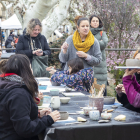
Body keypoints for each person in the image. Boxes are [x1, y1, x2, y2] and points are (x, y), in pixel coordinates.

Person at [0, 54, 60, 140]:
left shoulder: (5, 83)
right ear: (26, 70)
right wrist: (48, 119)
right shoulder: (19, 93)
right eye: (30, 68)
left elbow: (8, 114)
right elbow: (25, 129)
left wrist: (36, 114)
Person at [89, 15, 108, 87]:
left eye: (97, 21)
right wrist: (98, 41)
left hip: (100, 63)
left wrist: (91, 41)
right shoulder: (87, 33)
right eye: (93, 21)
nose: (95, 22)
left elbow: (103, 44)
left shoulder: (102, 33)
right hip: (89, 60)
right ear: (90, 23)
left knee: (100, 85)